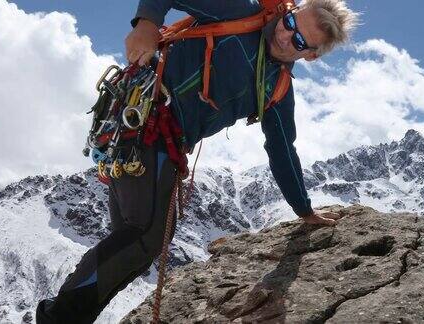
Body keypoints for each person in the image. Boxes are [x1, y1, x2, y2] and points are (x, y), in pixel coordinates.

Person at [36, 0, 359, 322]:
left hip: (148, 136)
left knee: (137, 248)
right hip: (148, 121)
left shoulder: (277, 88)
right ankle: (58, 318)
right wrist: (146, 24)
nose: (286, 36)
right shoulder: (240, 14)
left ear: (311, 55)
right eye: (290, 23)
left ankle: (70, 316)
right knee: (143, 236)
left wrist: (303, 209)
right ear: (287, 13)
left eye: (300, 41)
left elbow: (282, 150)